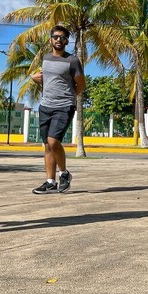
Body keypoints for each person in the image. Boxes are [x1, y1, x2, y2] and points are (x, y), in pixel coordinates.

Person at [30, 25, 85, 194]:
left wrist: (67, 98)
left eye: (62, 37)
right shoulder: (46, 58)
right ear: (50, 39)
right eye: (55, 37)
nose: (58, 40)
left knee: (54, 142)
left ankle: (64, 173)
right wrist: (34, 78)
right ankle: (50, 181)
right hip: (45, 105)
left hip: (64, 106)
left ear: (67, 40)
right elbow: (48, 79)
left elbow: (81, 85)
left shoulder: (73, 61)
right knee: (47, 145)